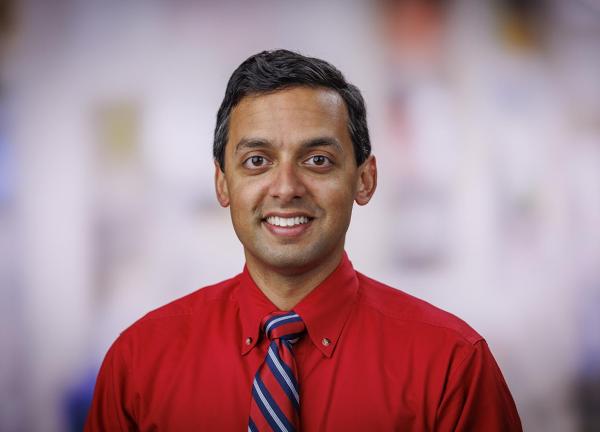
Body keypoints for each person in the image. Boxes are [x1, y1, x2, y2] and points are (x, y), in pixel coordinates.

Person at [85, 50, 522, 431]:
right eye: (257, 161)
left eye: (317, 160)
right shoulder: (139, 364)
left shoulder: (451, 367)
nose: (286, 187)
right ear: (223, 184)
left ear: (364, 180)